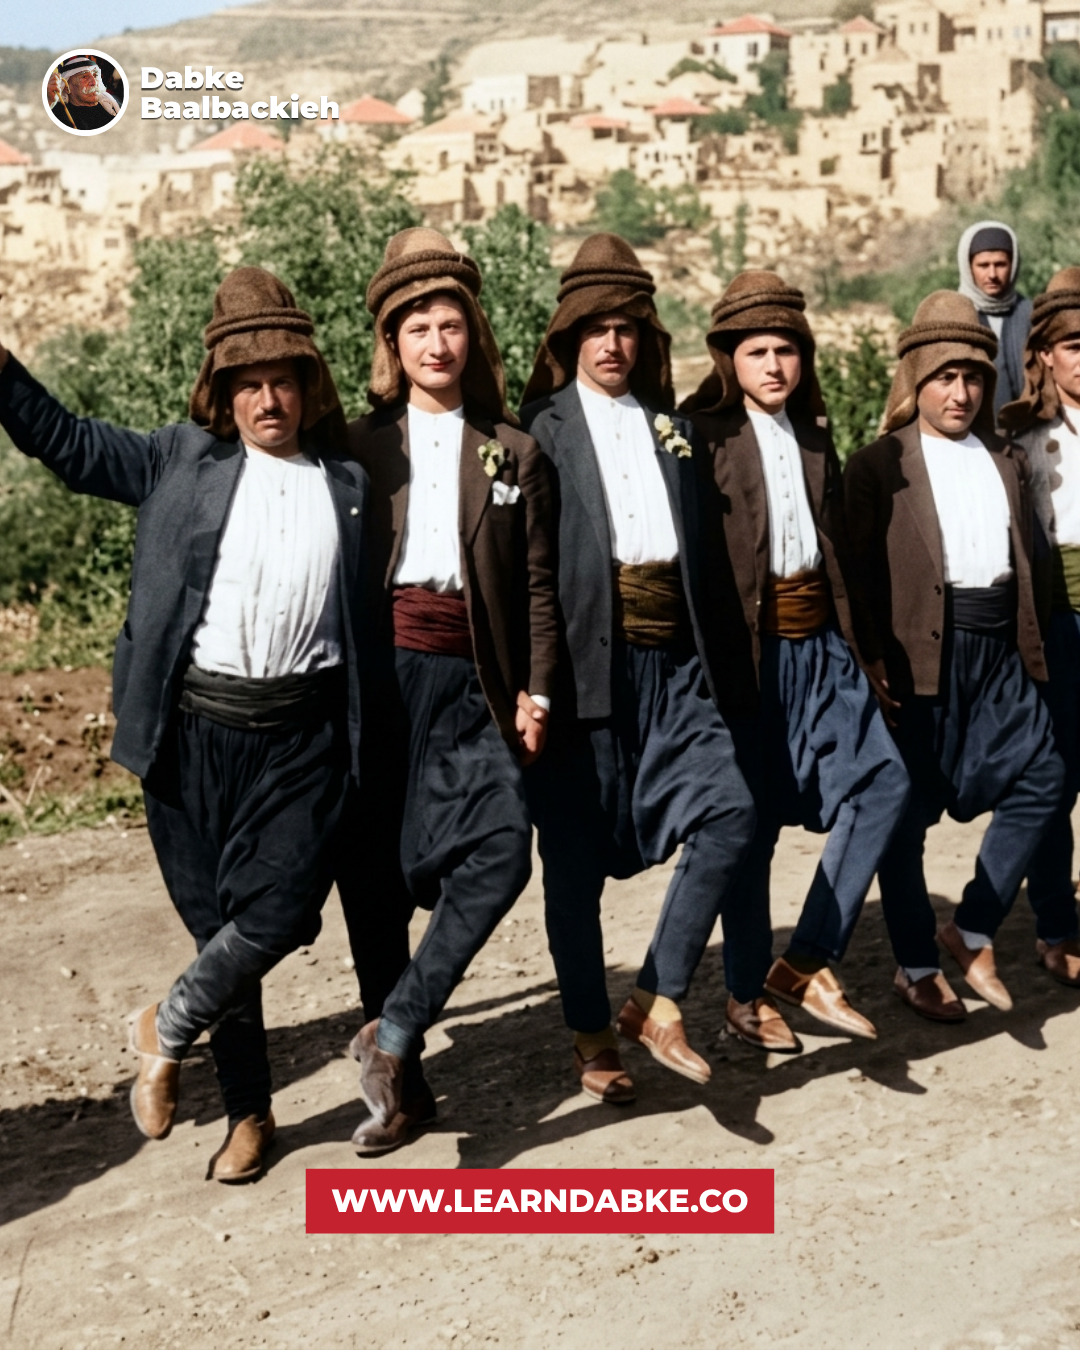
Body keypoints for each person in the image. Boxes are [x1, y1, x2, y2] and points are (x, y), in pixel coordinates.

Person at [0, 268, 366, 1181]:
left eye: (283, 377)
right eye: (248, 382)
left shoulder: (352, 482)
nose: (268, 398)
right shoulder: (177, 460)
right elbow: (69, 445)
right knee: (217, 929)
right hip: (193, 738)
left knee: (277, 915)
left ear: (308, 381)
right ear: (222, 391)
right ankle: (251, 1115)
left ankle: (162, 1027)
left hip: (303, 738)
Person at [518, 234, 756, 1103]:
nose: (613, 344)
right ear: (570, 338)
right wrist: (530, 683)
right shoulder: (538, 434)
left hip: (676, 670)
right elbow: (523, 572)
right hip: (584, 677)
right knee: (573, 867)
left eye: (628, 329)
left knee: (731, 812)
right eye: (597, 328)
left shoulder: (674, 432)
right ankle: (591, 1036)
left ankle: (656, 996)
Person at [344, 228, 557, 1149]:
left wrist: (535, 687)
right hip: (380, 680)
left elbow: (541, 585)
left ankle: (391, 1031)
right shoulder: (356, 450)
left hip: (476, 680)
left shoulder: (512, 450)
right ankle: (402, 1088)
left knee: (505, 849)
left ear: (475, 336)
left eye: (452, 325)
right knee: (377, 884)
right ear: (392, 344)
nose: (437, 343)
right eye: (417, 327)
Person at [682, 272, 910, 1045]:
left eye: (787, 351)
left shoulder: (814, 436)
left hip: (825, 650)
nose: (774, 366)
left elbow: (840, 555)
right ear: (728, 360)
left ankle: (807, 958)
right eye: (757, 352)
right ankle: (746, 994)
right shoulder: (701, 437)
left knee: (885, 781)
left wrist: (868, 653)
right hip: (751, 661)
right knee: (756, 826)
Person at [846, 291, 1065, 1017]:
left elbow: (1028, 565)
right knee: (905, 819)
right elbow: (856, 575)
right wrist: (870, 658)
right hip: (919, 661)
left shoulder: (1006, 460)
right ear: (915, 379)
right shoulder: (880, 466)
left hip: (998, 654)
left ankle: (971, 927)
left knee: (1046, 774)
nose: (960, 392)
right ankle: (914, 964)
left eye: (972, 377)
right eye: (944, 377)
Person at [999, 268, 1080, 987]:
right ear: (1047, 354)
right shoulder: (1021, 438)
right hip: (1056, 622)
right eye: (1075, 345)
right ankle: (1056, 924)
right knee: (1056, 775)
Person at [957, 220, 1033, 417]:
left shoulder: (1029, 313)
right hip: (973, 432)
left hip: (1030, 428)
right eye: (983, 265)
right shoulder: (955, 315)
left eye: (1000, 264)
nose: (992, 274)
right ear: (968, 267)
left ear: (1013, 265)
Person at [48, 54, 121, 132]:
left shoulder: (114, 104)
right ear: (66, 87)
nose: (94, 82)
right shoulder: (59, 116)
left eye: (95, 75)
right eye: (84, 77)